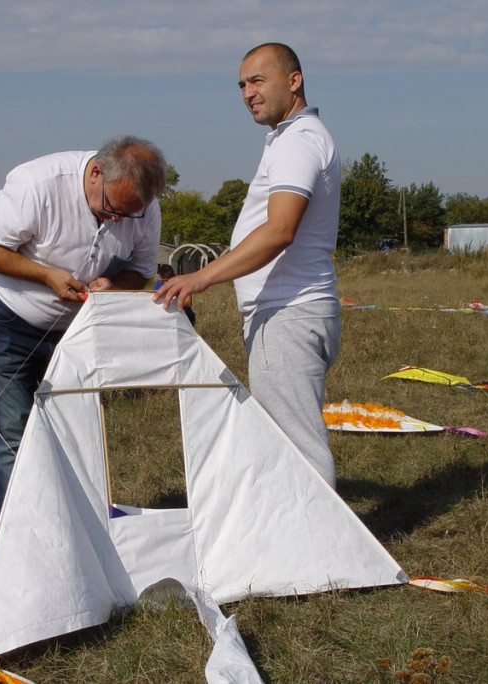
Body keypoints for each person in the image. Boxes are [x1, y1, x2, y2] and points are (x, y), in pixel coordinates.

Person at [154, 43, 342, 488]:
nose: (247, 93)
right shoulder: (288, 138)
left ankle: (323, 553)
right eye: (241, 84)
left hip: (287, 313)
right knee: (286, 441)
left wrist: (200, 277)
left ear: (293, 81)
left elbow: (279, 230)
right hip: (287, 311)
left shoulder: (299, 141)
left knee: (298, 450)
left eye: (258, 80)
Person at [0, 135, 167, 521]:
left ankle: (80, 530)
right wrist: (45, 276)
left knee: (78, 432)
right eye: (113, 209)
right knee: (13, 435)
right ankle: (22, 541)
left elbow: (140, 272)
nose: (118, 221)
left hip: (78, 332)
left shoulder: (143, 209)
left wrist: (113, 285)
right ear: (95, 173)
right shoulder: (38, 185)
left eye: (129, 215)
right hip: (10, 319)